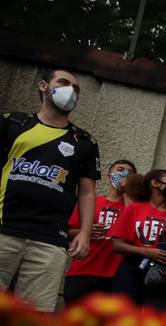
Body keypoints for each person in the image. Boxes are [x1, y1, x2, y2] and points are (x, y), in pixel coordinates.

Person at [0, 68, 99, 311]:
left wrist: (85, 233)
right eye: (64, 83)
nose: (71, 91)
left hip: (51, 240)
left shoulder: (85, 143)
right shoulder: (12, 123)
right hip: (4, 228)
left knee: (35, 321)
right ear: (44, 86)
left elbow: (86, 192)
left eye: (76, 88)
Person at [109, 170, 166, 311]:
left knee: (155, 323)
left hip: (162, 273)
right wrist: (147, 252)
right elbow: (116, 245)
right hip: (132, 269)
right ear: (155, 183)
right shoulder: (134, 209)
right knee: (124, 319)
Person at [63, 159, 136, 302]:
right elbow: (67, 233)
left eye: (130, 173)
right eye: (120, 170)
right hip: (82, 271)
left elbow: (133, 233)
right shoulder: (91, 202)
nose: (125, 175)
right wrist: (85, 231)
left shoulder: (133, 207)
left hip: (114, 277)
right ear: (109, 176)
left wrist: (128, 192)